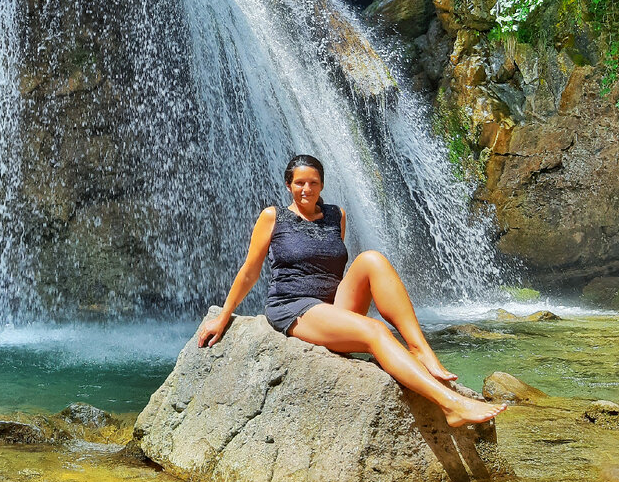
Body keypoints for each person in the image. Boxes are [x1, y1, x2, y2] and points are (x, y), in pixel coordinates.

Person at [197, 153, 505, 428]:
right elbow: (250, 271)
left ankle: (419, 348)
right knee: (375, 332)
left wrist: (343, 315)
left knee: (373, 259)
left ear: (322, 185)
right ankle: (451, 405)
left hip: (331, 305)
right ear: (288, 185)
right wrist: (224, 316)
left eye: (313, 183)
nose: (307, 189)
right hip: (293, 306)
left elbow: (334, 267)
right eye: (300, 183)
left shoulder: (336, 215)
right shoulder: (273, 216)